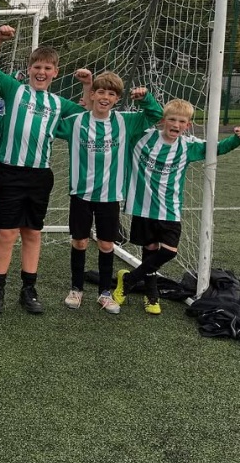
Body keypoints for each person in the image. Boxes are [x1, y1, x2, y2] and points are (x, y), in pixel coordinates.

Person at [0, 25, 89, 314]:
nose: (42, 71)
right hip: (11, 172)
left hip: (40, 176)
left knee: (32, 233)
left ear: (56, 72)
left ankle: (28, 289)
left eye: (48, 67)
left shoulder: (58, 103)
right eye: (37, 66)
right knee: (6, 233)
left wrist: (87, 85)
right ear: (28, 69)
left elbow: (89, 112)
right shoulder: (15, 90)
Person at [115, 99, 240, 314]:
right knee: (149, 252)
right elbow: (130, 125)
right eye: (172, 119)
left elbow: (217, 148)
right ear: (163, 121)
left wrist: (237, 139)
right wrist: (146, 98)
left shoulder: (188, 146)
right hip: (143, 207)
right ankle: (151, 297)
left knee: (169, 251)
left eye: (182, 121)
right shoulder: (143, 138)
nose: (176, 124)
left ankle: (129, 279)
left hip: (170, 209)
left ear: (188, 125)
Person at [54, 72, 162, 313]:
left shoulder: (125, 121)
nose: (105, 97)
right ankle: (76, 289)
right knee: (80, 241)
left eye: (111, 94)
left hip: (110, 196)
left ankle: (104, 292)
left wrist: (145, 98)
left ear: (117, 99)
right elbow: (49, 125)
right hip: (80, 194)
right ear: (92, 95)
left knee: (106, 244)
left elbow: (155, 114)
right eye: (101, 92)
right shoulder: (76, 121)